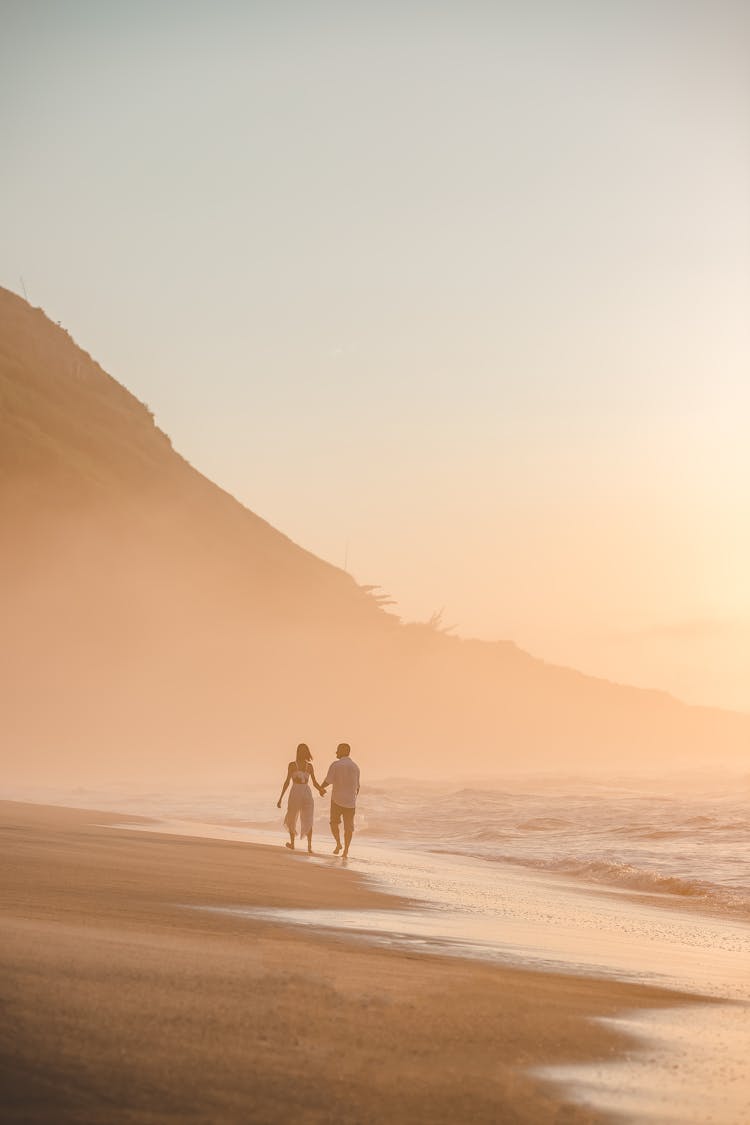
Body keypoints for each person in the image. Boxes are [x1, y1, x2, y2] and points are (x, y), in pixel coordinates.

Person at [276, 743, 325, 854]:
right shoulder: (308, 766)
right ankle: (309, 846)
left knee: (292, 817)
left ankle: (293, 844)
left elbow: (287, 782)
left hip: (296, 793)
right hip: (306, 793)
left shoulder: (293, 765)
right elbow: (315, 783)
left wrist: (280, 798)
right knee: (308, 819)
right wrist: (321, 790)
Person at [320, 742, 360, 858]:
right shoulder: (356, 767)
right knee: (349, 828)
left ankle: (338, 844)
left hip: (337, 800)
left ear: (343, 751)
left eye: (338, 750)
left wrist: (321, 787)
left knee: (333, 823)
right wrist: (352, 798)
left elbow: (328, 780)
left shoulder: (336, 765)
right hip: (351, 803)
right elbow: (358, 787)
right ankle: (346, 851)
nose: (336, 752)